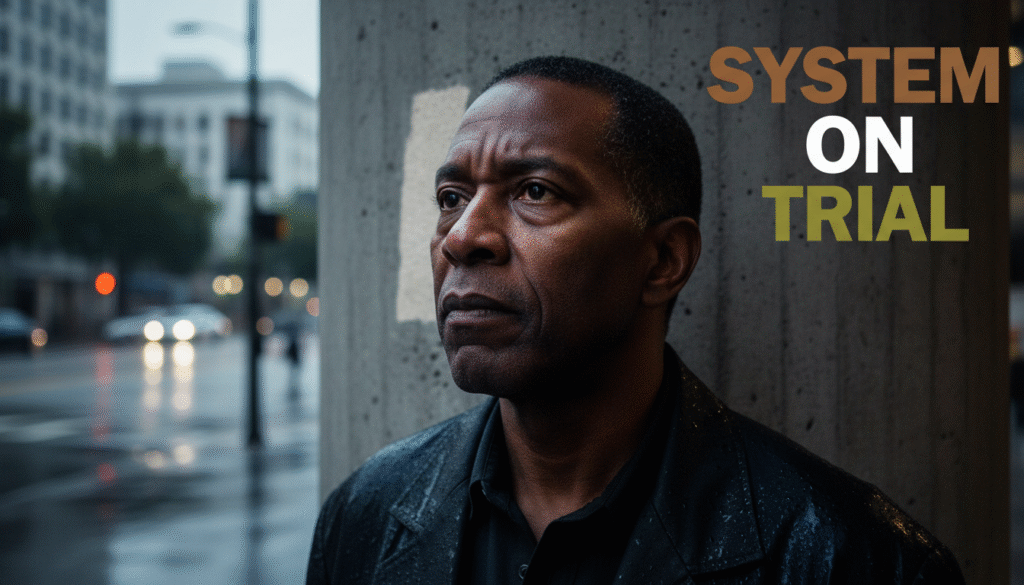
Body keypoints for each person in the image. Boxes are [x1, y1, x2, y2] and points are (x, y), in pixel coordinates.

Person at [306, 56, 965, 584]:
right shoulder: (365, 513)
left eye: (535, 191)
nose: (463, 237)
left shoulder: (850, 557)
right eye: (452, 198)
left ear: (662, 261)